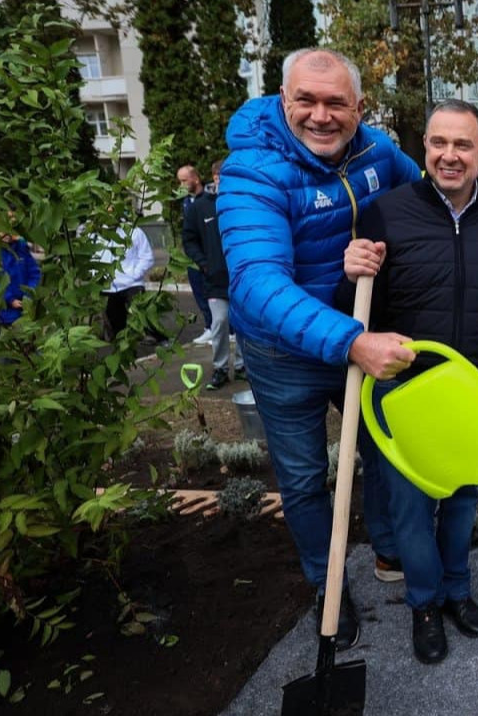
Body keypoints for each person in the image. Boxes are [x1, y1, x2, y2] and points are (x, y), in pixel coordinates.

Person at [217, 47, 421, 651]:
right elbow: (257, 287)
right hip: (287, 354)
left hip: (358, 330)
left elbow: (427, 196)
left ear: (359, 107)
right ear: (284, 100)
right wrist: (352, 341)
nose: (321, 115)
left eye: (336, 103)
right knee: (306, 478)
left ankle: (388, 549)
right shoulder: (252, 171)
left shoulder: (377, 151)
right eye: (306, 100)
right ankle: (326, 582)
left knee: (385, 452)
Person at [338, 100, 478, 664]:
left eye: (462, 145)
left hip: (470, 389)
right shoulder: (386, 215)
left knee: (460, 501)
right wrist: (349, 270)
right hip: (403, 392)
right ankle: (425, 603)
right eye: (438, 144)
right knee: (409, 508)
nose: (449, 156)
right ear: (423, 149)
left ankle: (458, 590)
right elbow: (355, 311)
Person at [181, 159, 243, 390]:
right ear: (213, 178)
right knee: (219, 322)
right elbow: (189, 239)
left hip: (241, 277)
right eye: (218, 176)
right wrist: (204, 263)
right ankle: (220, 368)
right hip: (214, 279)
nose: (221, 180)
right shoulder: (200, 207)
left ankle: (242, 366)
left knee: (244, 324)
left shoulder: (240, 201)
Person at [92, 218, 157, 341]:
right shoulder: (96, 234)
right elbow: (91, 259)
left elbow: (147, 257)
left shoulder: (134, 231)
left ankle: (150, 337)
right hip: (107, 287)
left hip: (131, 285)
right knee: (114, 329)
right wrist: (95, 276)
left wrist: (133, 274)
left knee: (142, 319)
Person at [0, 224, 41, 336]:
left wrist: (28, 294)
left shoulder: (20, 247)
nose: (6, 232)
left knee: (26, 345)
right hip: (1, 313)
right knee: (3, 345)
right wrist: (9, 299)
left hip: (23, 310)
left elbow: (34, 273)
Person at [177, 166, 215, 346]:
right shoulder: (186, 202)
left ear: (196, 179)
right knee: (200, 294)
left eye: (184, 180)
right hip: (194, 258)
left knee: (216, 295)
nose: (181, 185)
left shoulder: (210, 200)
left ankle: (225, 329)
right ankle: (210, 327)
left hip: (210, 256)